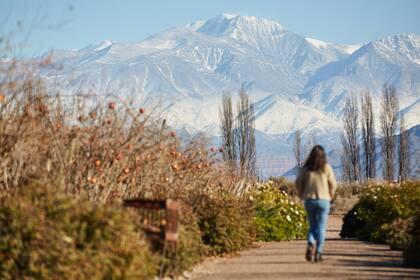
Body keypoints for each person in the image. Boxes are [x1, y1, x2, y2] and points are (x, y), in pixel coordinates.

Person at [295, 145, 337, 262]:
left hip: (310, 200)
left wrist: (301, 194)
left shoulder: (306, 169)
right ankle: (318, 252)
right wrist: (331, 196)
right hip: (324, 201)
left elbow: (298, 183)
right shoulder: (326, 168)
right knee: (321, 227)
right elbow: (333, 184)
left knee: (312, 225)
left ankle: (310, 243)